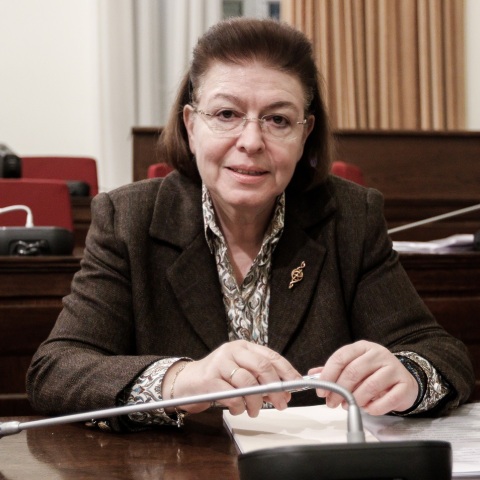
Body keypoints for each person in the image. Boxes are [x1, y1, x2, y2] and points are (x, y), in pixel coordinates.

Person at [27, 17, 474, 433]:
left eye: (278, 119)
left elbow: (442, 353)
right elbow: (55, 369)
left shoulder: (350, 216)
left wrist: (409, 376)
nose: (251, 141)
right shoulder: (128, 219)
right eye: (226, 114)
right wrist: (180, 380)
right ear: (191, 126)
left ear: (304, 134)